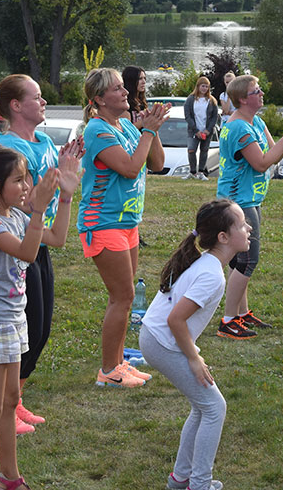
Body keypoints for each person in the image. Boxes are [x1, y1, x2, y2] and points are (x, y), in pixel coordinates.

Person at [0, 74, 85, 433]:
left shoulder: (43, 141)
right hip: (21, 249)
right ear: (15, 105)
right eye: (37, 97)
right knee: (27, 329)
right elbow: (30, 202)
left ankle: (15, 400)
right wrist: (46, 198)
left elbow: (53, 229)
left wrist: (66, 191)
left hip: (34, 244)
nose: (44, 103)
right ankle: (7, 406)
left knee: (39, 330)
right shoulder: (9, 151)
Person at [0, 144, 81, 490]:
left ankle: (9, 478)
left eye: (28, 177)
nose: (27, 185)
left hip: (14, 320)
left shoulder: (17, 214)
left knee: (11, 401)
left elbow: (56, 240)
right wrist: (39, 209)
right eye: (18, 179)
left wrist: (65, 198)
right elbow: (28, 254)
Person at [139, 199, 252, 490]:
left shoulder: (209, 265)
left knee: (203, 406)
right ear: (223, 237)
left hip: (157, 338)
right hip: (162, 342)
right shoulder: (212, 275)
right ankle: (198, 484)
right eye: (241, 224)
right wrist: (193, 358)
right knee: (215, 408)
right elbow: (176, 320)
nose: (248, 228)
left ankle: (180, 480)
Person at [78, 67, 167, 388]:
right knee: (122, 296)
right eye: (116, 89)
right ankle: (108, 370)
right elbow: (130, 169)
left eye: (123, 87)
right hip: (102, 223)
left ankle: (118, 364)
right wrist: (146, 131)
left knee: (125, 298)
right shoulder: (97, 131)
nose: (125, 92)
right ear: (99, 99)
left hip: (127, 223)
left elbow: (156, 164)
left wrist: (151, 130)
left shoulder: (126, 126)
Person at [215, 75, 283, 339]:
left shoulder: (254, 121)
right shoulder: (239, 129)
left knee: (239, 259)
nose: (262, 93)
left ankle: (241, 314)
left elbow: (273, 152)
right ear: (243, 99)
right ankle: (228, 320)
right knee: (247, 260)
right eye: (257, 91)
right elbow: (262, 162)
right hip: (238, 202)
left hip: (250, 199)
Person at [183, 76, 218, 181]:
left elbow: (214, 117)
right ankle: (192, 172)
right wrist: (196, 130)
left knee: (204, 150)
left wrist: (208, 129)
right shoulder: (190, 99)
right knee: (191, 150)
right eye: (203, 86)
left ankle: (201, 172)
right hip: (193, 131)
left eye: (207, 87)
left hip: (207, 131)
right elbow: (187, 116)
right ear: (198, 86)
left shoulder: (212, 101)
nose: (204, 89)